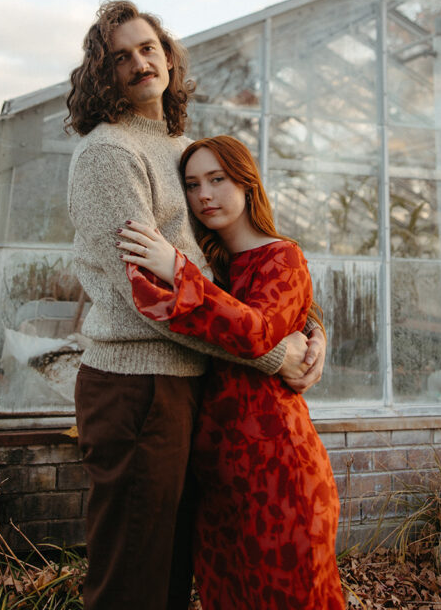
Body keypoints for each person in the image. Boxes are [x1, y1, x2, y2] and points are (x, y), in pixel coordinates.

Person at [66, 0, 326, 610]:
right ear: (103, 71)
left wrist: (308, 330)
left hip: (187, 383)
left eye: (149, 47)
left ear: (169, 56)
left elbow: (228, 270)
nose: (139, 62)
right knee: (134, 575)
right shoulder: (111, 153)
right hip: (137, 385)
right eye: (121, 55)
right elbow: (145, 300)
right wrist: (270, 355)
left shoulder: (179, 148)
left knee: (173, 570)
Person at [118, 135, 345, 610]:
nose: (204, 195)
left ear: (247, 183)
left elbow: (258, 331)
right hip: (219, 480)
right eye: (193, 184)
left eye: (218, 180)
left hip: (280, 472)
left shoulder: (281, 256)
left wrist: (175, 271)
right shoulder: (215, 263)